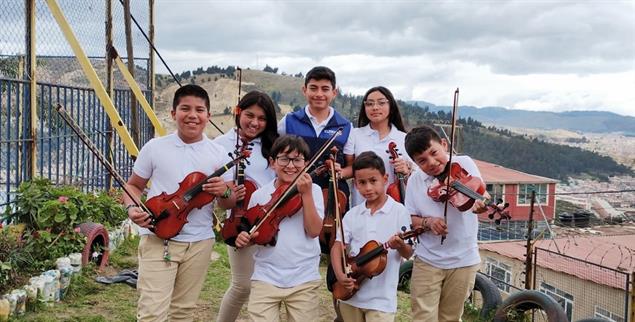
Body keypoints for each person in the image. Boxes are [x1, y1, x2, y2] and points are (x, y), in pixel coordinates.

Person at [123, 84, 237, 322]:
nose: (192, 115)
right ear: (174, 113)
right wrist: (132, 208)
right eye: (185, 108)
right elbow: (133, 185)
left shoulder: (218, 153)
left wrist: (224, 191)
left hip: (199, 242)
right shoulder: (155, 147)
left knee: (183, 312)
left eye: (200, 110)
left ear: (208, 115)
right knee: (152, 312)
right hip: (158, 236)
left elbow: (229, 203)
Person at [277, 66, 353, 321]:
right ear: (304, 89)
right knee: (297, 246)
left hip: (334, 198)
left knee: (337, 254)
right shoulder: (288, 121)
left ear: (334, 92)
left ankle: (340, 313)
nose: (319, 94)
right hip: (296, 195)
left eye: (325, 89)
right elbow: (276, 156)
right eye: (313, 88)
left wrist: (340, 171)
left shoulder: (345, 126)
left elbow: (352, 165)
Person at [234, 135, 325, 322]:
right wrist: (245, 238)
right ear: (272, 163)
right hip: (265, 276)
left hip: (304, 278)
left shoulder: (313, 191)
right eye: (284, 159)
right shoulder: (260, 195)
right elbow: (254, 232)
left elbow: (314, 231)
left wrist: (306, 194)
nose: (290, 166)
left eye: (297, 160)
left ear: (307, 163)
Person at [403, 125, 489, 322]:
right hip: (428, 259)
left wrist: (481, 202)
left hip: (463, 260)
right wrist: (428, 222)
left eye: (434, 153)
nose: (432, 163)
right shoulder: (416, 181)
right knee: (423, 317)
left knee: (450, 317)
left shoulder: (463, 163)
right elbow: (409, 218)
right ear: (415, 163)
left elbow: (480, 191)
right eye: (422, 161)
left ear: (443, 144)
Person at [213, 90, 279, 322]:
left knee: (271, 288)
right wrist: (229, 192)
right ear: (238, 112)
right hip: (239, 221)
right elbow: (219, 195)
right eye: (250, 115)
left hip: (272, 220)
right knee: (242, 285)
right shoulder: (220, 145)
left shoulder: (273, 145)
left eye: (262, 119)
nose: (255, 123)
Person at [331, 151, 413, 322]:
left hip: (381, 301)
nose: (367, 188)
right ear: (355, 184)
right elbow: (337, 246)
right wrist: (340, 276)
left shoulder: (399, 211)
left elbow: (408, 253)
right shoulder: (353, 214)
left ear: (385, 178)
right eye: (361, 182)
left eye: (373, 181)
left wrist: (400, 245)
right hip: (351, 295)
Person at [342, 86, 414, 207]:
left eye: (381, 103)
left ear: (391, 107)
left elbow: (417, 174)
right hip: (361, 203)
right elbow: (350, 168)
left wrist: (406, 171)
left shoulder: (404, 138)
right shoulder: (354, 134)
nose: (375, 107)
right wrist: (338, 173)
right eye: (369, 104)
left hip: (395, 203)